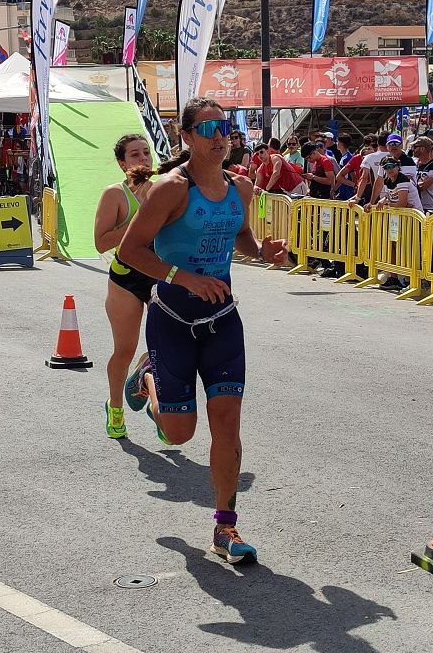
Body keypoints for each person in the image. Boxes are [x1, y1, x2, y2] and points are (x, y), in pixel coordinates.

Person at [118, 97, 287, 565]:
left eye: (225, 126)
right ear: (187, 137)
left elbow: (242, 238)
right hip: (172, 321)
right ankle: (147, 376)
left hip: (221, 321)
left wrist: (262, 250)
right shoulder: (171, 189)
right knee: (177, 436)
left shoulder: (242, 187)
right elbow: (131, 250)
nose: (220, 135)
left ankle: (225, 527)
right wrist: (182, 276)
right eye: (209, 127)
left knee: (227, 424)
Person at [93, 134, 158, 439]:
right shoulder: (115, 195)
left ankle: (160, 406)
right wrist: (140, 217)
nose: (143, 158)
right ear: (122, 164)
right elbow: (101, 242)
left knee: (172, 347)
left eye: (146, 152)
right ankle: (115, 405)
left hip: (160, 274)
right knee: (125, 349)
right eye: (135, 154)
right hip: (126, 278)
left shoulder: (165, 189)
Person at [410, 136, 433, 212]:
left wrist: (409, 187)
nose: (412, 149)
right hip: (414, 207)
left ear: (422, 149)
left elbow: (423, 187)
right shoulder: (414, 163)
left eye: (415, 147)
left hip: (429, 208)